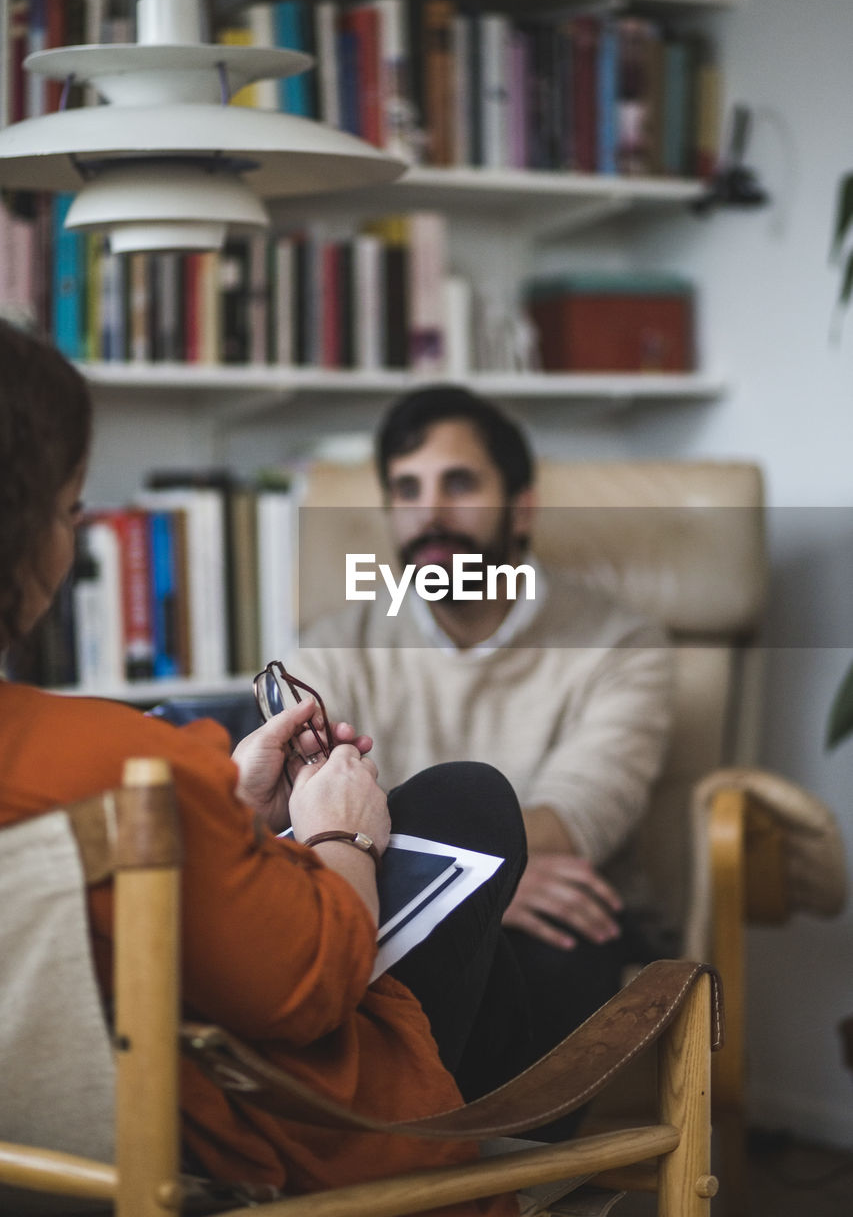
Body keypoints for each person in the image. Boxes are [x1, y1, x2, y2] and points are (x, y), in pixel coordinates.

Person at [0, 320, 531, 1213]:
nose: (74, 536)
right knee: (467, 804)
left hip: (33, 1154)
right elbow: (313, 990)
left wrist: (229, 808)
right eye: (68, 509)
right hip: (221, 1151)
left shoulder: (119, 770)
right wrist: (338, 832)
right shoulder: (117, 761)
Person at [290, 385, 675, 1084]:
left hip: (558, 911)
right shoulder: (330, 651)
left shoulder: (621, 645)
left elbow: (582, 817)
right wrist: (476, 890)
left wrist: (460, 889)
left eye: (458, 483)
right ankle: (408, 1164)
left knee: (561, 945)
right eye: (407, 490)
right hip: (395, 912)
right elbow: (303, 811)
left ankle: (491, 1176)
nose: (429, 514)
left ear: (519, 506)